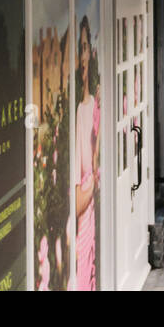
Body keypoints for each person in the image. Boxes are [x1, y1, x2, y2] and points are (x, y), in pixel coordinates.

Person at [73, 15, 99, 291]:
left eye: (83, 47)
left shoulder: (96, 106)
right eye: (77, 50)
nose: (81, 57)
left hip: (95, 219)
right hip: (82, 224)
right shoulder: (77, 112)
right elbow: (78, 197)